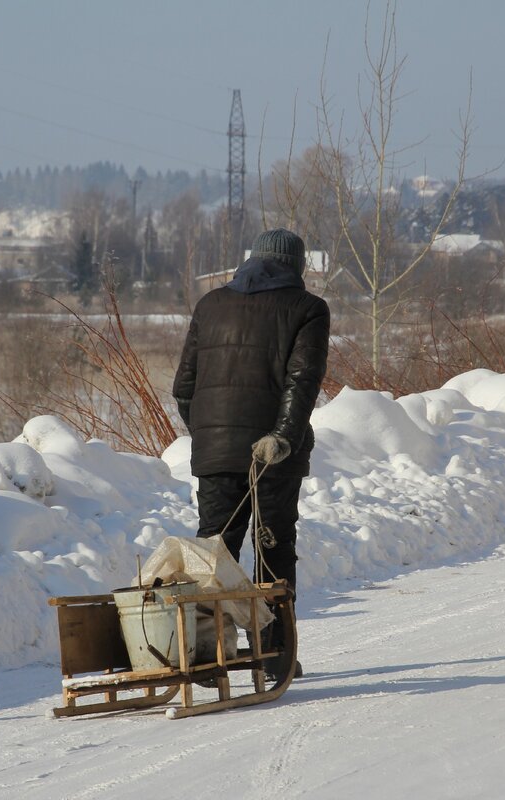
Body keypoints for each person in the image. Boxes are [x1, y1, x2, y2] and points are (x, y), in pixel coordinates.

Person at [172, 228, 329, 678]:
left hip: (213, 451)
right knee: (273, 548)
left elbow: (184, 388)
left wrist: (208, 433)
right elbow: (303, 381)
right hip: (274, 454)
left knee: (214, 551)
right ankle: (275, 651)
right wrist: (282, 436)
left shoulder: (210, 304)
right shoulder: (308, 309)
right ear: (296, 266)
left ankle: (206, 655)